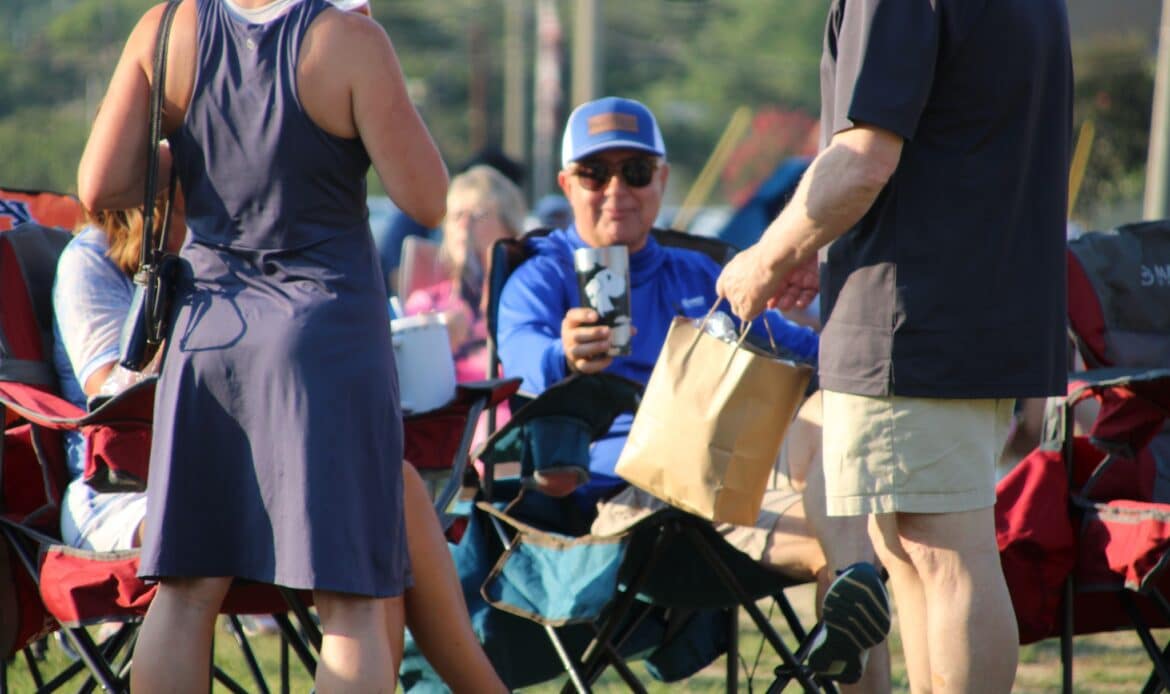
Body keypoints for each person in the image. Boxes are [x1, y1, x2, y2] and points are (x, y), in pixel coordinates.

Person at [77, 0, 451, 690]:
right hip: (324, 339)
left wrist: (201, 162)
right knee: (352, 601)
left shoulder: (166, 28)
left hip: (209, 333)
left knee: (186, 590)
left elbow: (99, 185)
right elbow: (426, 199)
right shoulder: (350, 39)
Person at [715, 2, 1073, 692]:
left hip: (915, 312)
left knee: (943, 552)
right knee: (910, 548)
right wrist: (811, 241)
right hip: (969, 302)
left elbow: (863, 159)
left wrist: (765, 258)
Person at [496, 96, 890, 691]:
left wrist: (862, 323)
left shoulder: (700, 275)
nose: (616, 190)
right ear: (566, 184)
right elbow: (519, 354)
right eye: (594, 173)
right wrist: (564, 355)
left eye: (635, 172)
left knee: (834, 412)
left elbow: (810, 357)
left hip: (734, 481)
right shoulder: (543, 274)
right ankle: (855, 575)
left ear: (661, 180)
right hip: (636, 507)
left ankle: (855, 578)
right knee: (856, 555)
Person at [51, 193, 506, 691]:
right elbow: (113, 391)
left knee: (390, 489)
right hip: (128, 487)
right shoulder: (92, 259)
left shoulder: (229, 246)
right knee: (339, 519)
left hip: (249, 467)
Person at [404, 165, 526, 383]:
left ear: (509, 227)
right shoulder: (427, 306)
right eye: (456, 215)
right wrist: (432, 345)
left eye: (478, 215)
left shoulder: (526, 297)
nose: (464, 225)